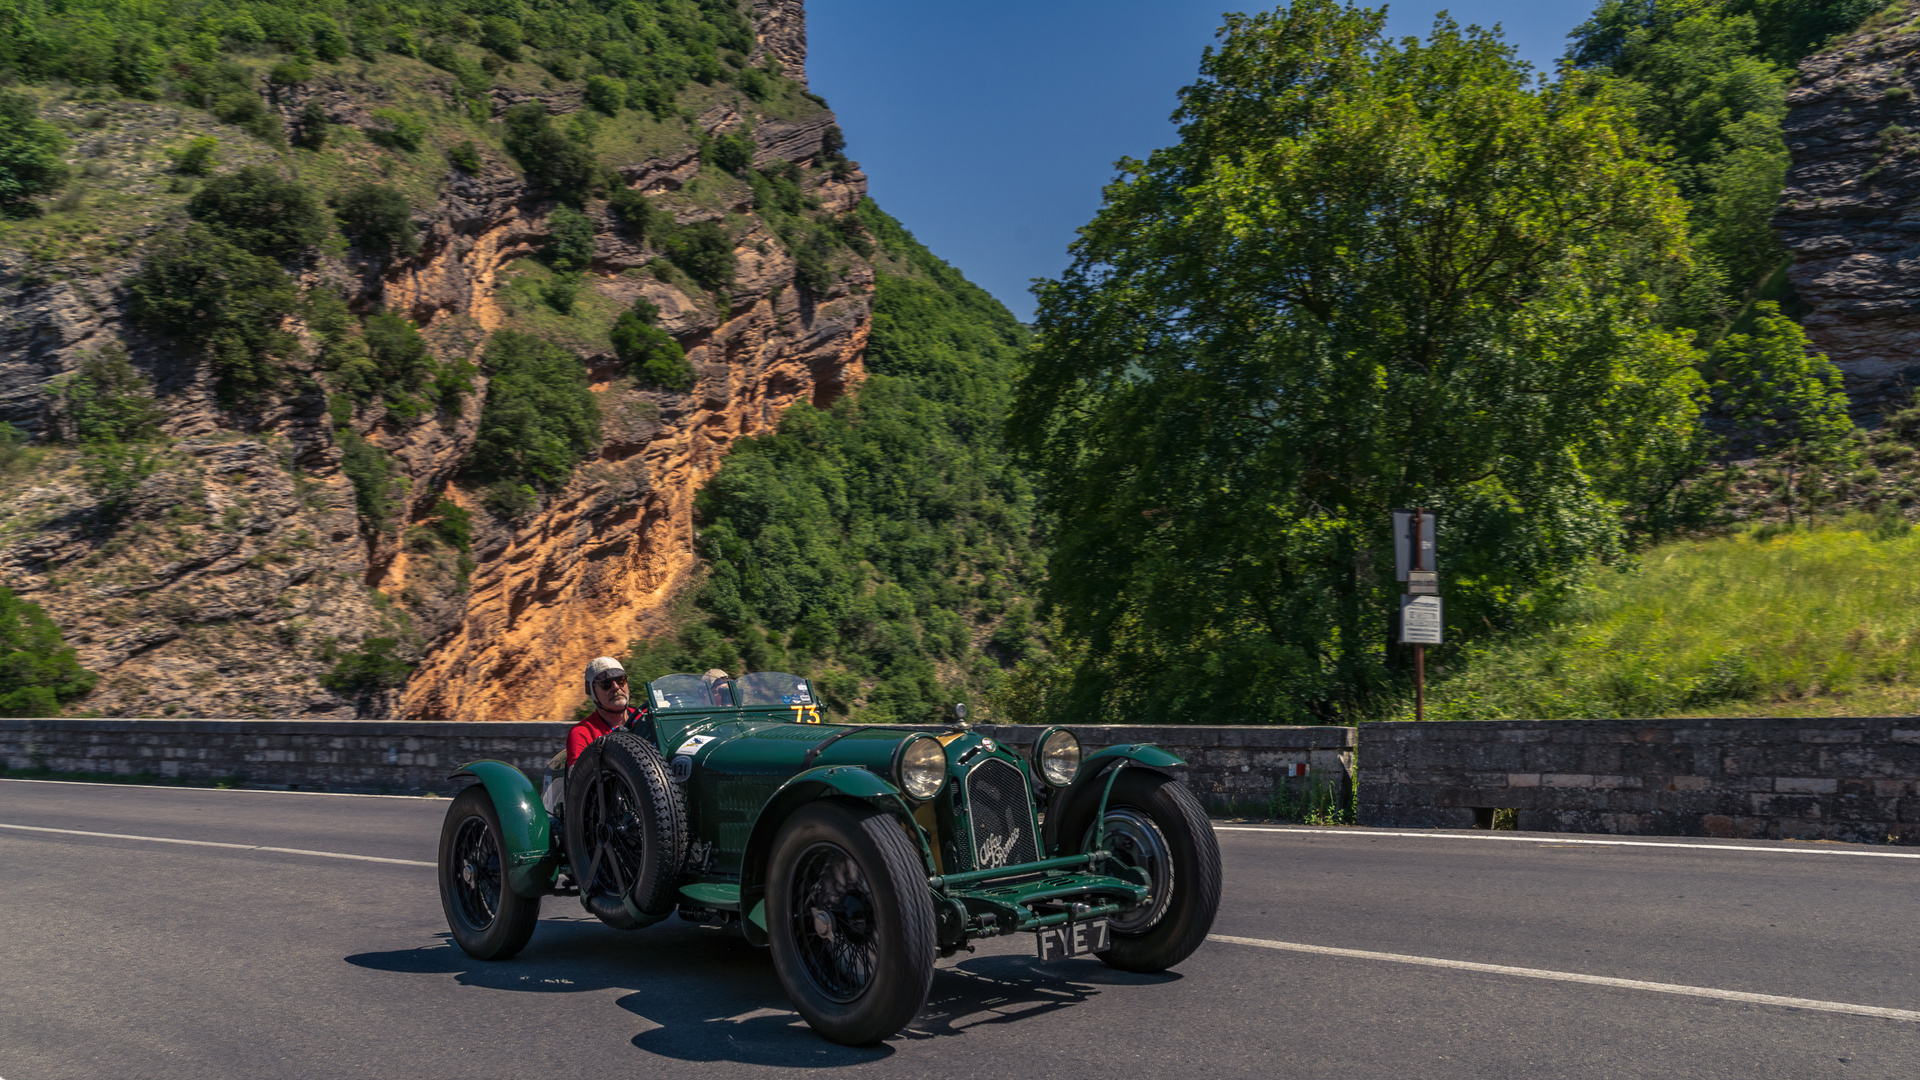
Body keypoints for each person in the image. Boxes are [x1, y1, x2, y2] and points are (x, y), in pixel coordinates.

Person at [565, 656, 657, 768]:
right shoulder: (583, 733)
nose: (616, 687)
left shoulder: (647, 717)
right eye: (606, 683)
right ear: (593, 692)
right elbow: (577, 779)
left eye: (620, 680)